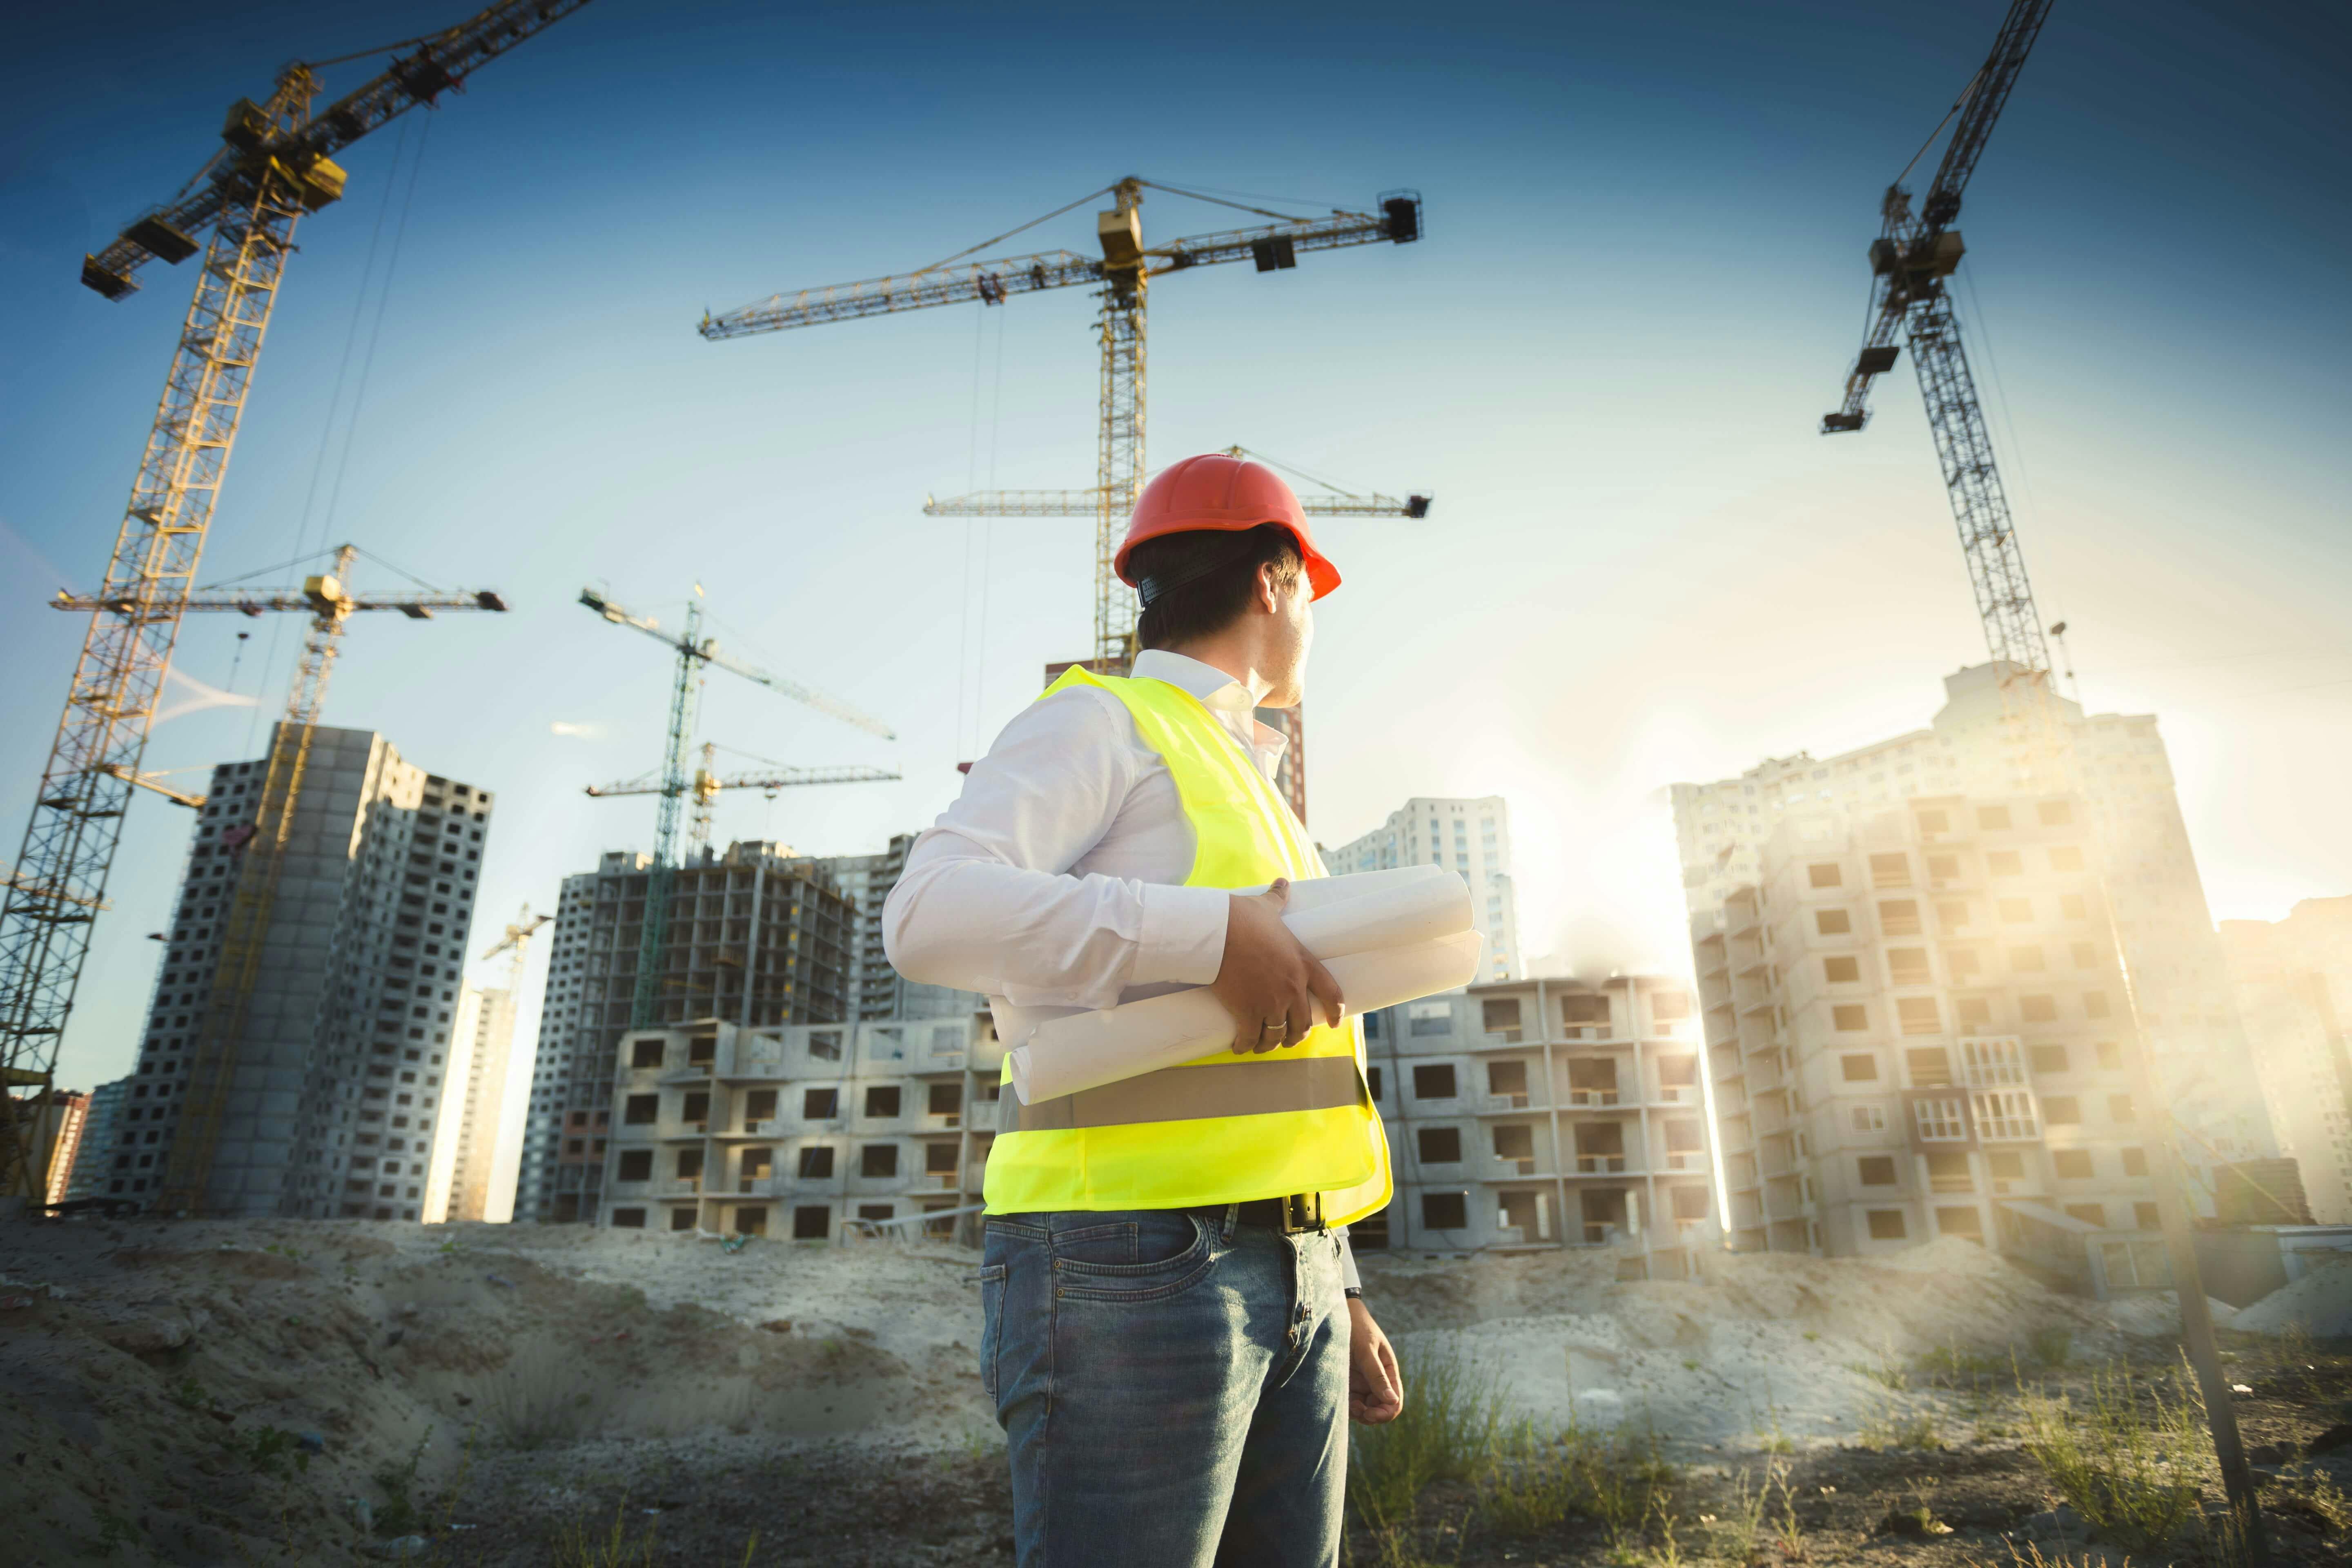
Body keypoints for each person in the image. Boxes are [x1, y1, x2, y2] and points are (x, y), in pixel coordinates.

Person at [883, 451, 1405, 1567]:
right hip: (1130, 1266)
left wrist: (1337, 1282)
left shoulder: (1256, 788)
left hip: (1292, 1266)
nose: (1313, 617)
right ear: (1274, 580)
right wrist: (1210, 934)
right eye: (1310, 589)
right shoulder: (1102, 723)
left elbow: (1285, 1065)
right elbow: (927, 913)